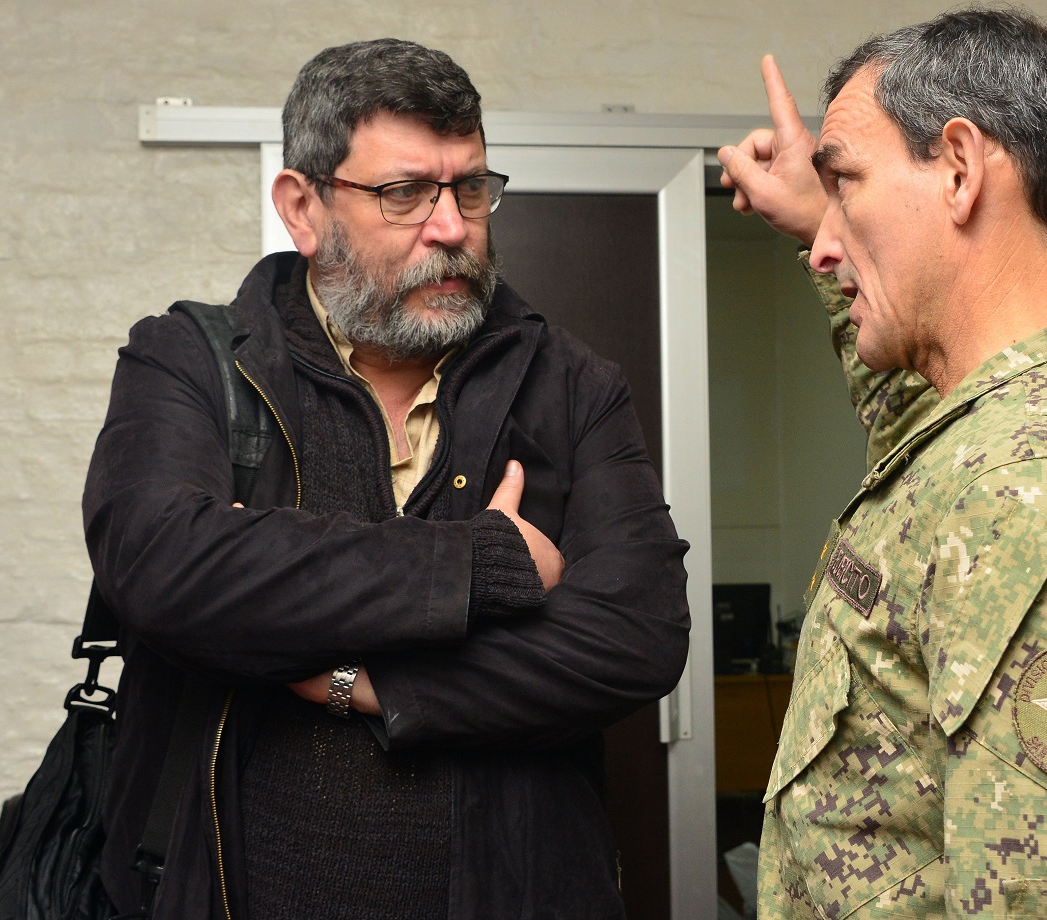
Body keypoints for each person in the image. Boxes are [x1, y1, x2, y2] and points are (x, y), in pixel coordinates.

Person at [83, 39, 690, 920]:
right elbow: (162, 566)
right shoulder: (187, 361)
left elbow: (637, 637)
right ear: (303, 207)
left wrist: (367, 683)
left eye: (470, 189)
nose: (452, 228)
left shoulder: (571, 386)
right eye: (404, 193)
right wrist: (485, 564)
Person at [717, 9, 1047, 918]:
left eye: (849, 184)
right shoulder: (1003, 425)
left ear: (959, 169)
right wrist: (822, 215)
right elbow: (911, 410)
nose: (829, 243)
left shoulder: (1045, 495)